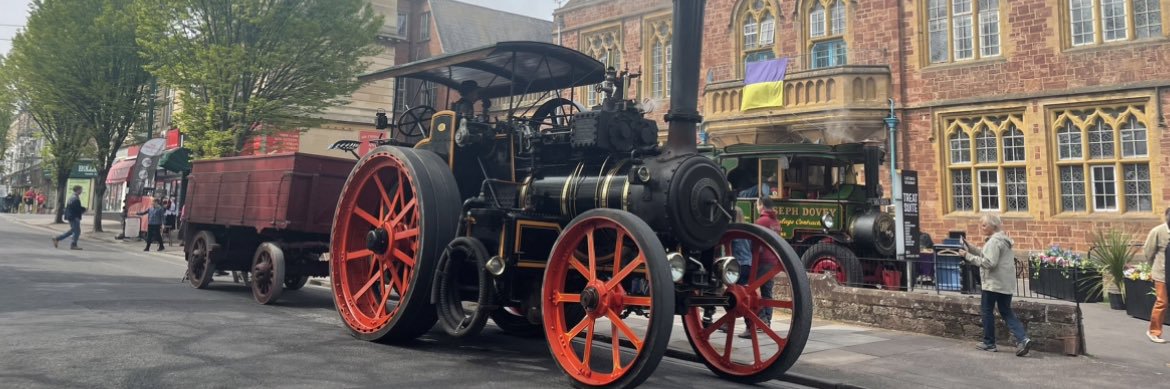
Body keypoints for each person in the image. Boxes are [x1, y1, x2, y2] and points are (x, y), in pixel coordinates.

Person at [959, 213, 1032, 356]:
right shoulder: (1002, 240)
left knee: (987, 311)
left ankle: (989, 342)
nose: (982, 227)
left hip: (992, 284)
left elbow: (988, 263)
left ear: (993, 226)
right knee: (1006, 311)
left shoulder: (993, 242)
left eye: (984, 225)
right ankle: (1023, 339)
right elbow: (988, 256)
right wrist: (971, 247)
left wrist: (967, 256)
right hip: (1005, 284)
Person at [740, 197, 781, 339]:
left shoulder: (761, 222)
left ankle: (761, 320)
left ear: (761, 205)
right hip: (773, 262)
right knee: (767, 292)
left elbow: (755, 243)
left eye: (757, 205)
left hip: (762, 261)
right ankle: (767, 321)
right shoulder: (776, 222)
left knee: (752, 290)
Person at [1141, 207, 1170, 343]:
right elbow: (1148, 251)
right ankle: (1154, 332)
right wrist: (1154, 267)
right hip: (1162, 274)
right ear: (1166, 216)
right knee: (1162, 302)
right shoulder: (1158, 231)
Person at [51, 185, 86, 250]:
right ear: (78, 190)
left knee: (73, 230)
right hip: (74, 217)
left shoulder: (72, 197)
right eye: (81, 190)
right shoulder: (75, 198)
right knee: (77, 231)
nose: (81, 191)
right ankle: (73, 244)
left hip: (71, 216)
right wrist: (83, 209)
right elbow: (76, 208)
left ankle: (57, 239)